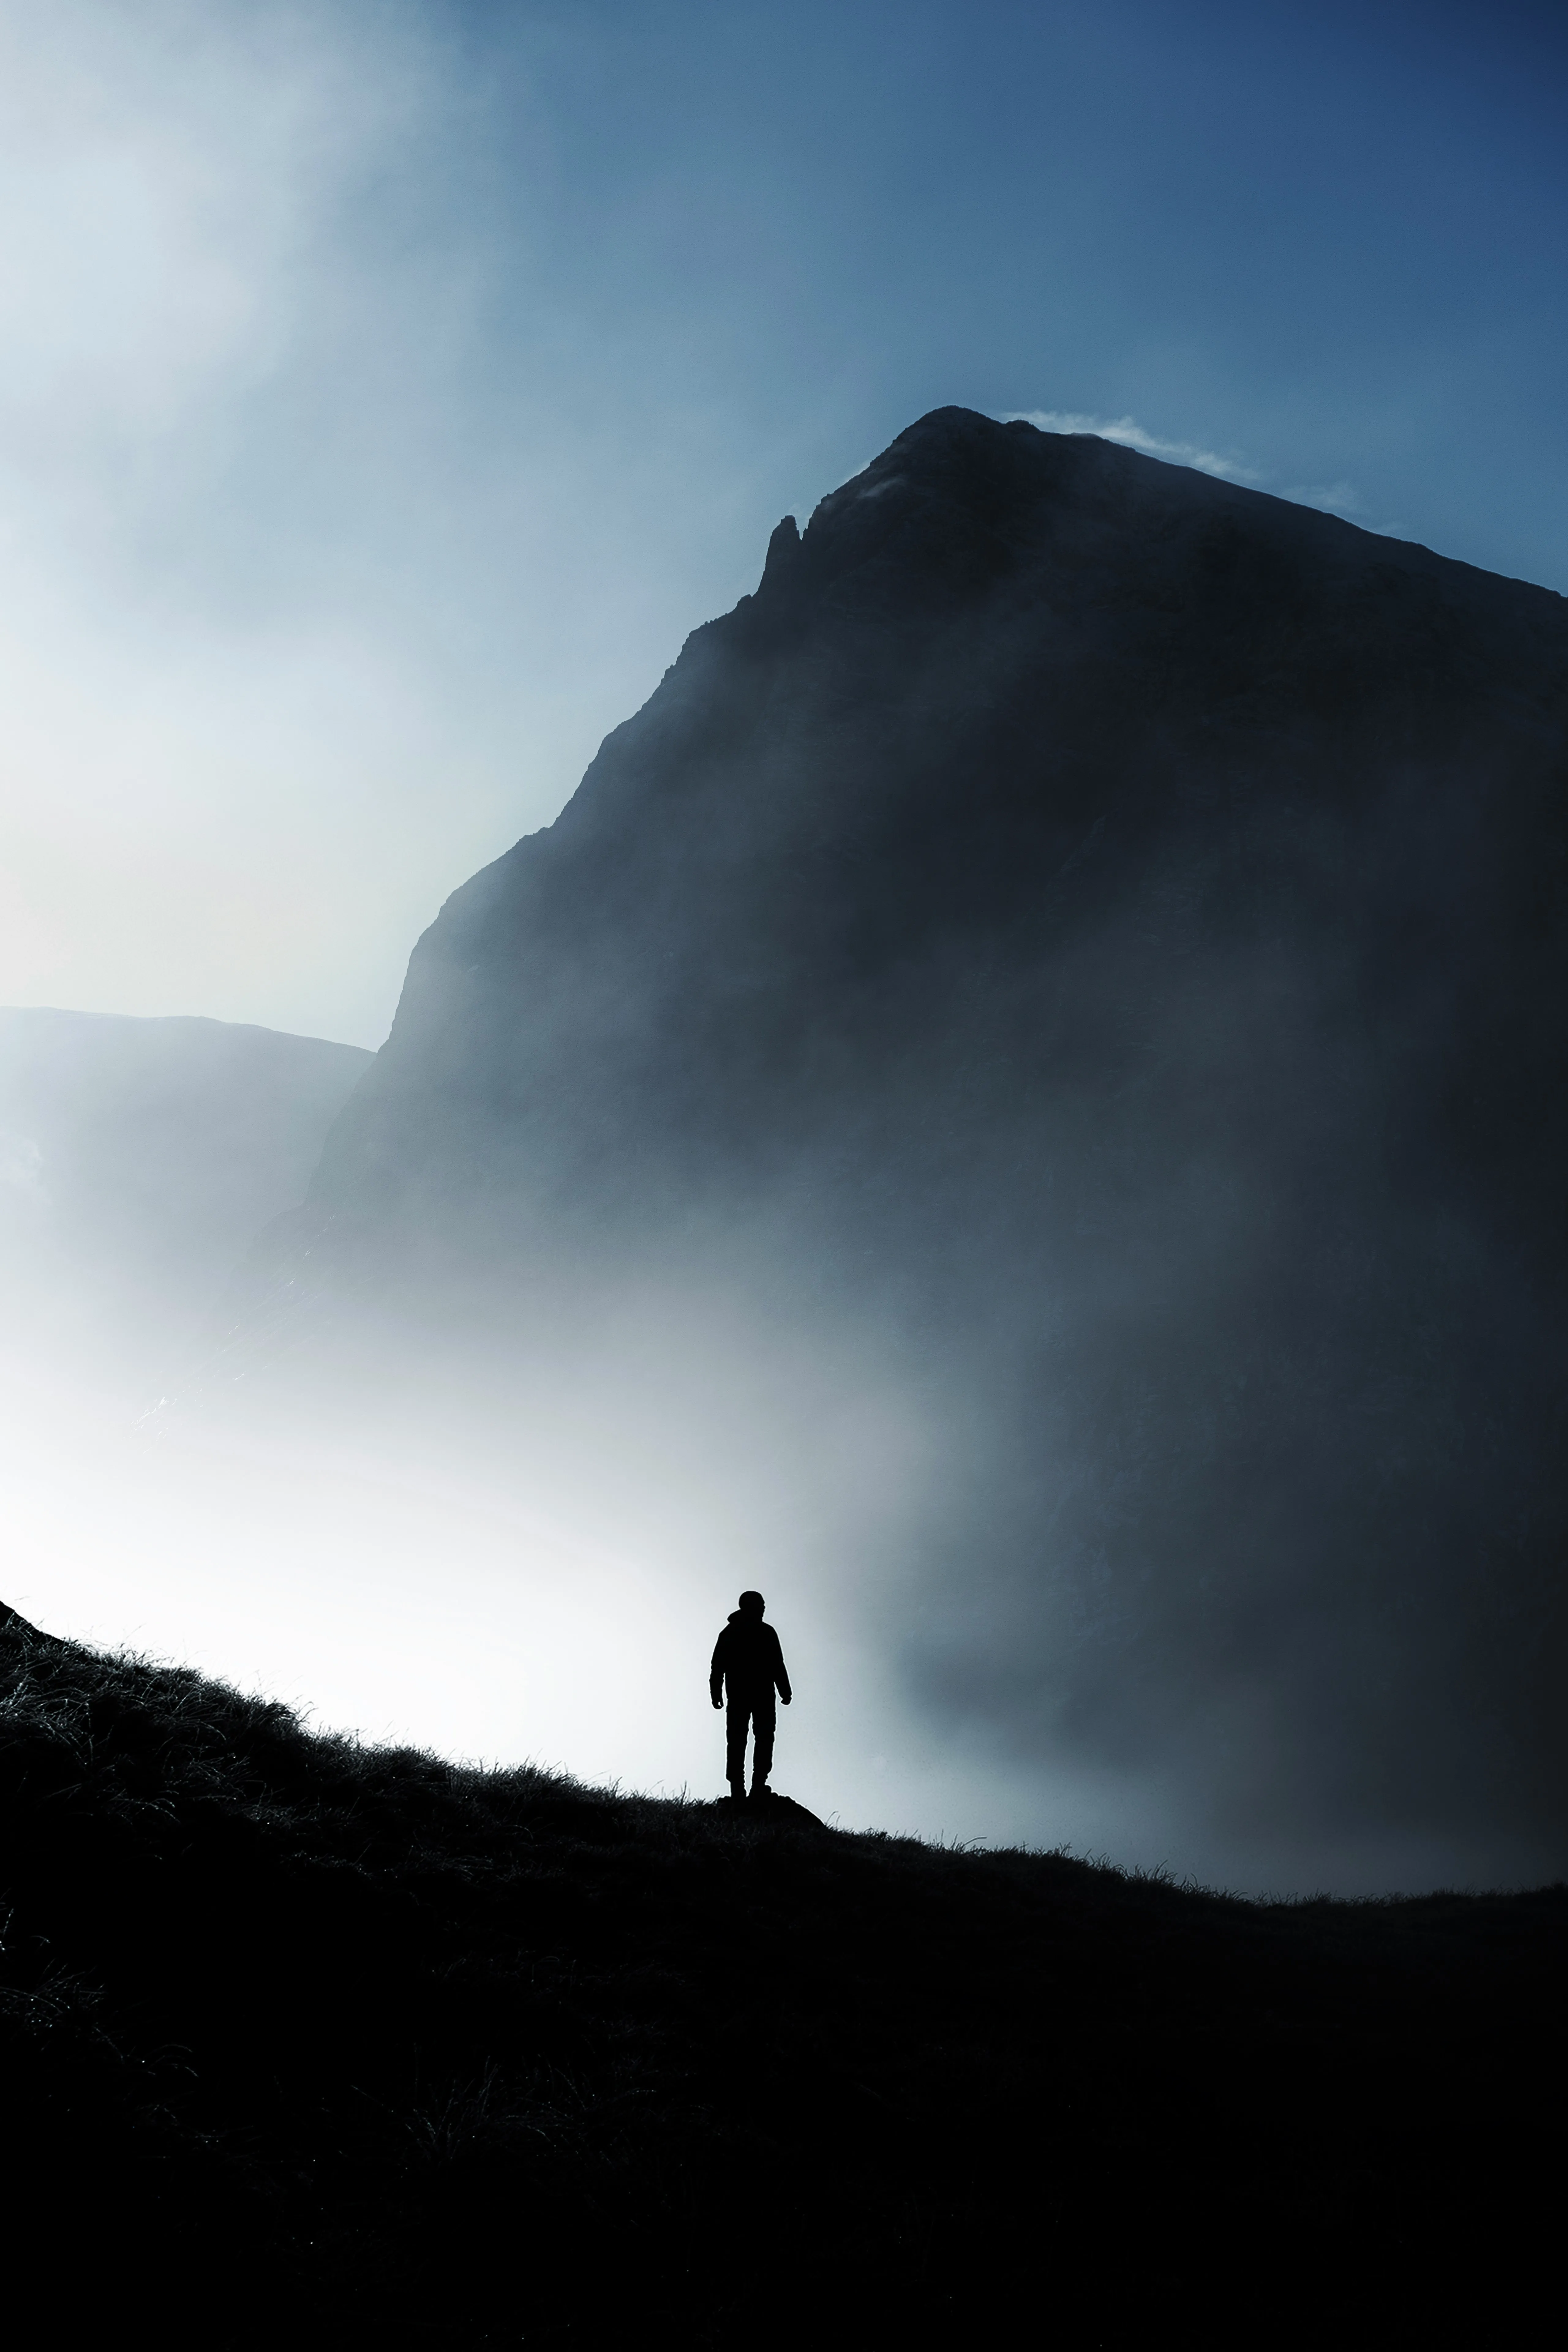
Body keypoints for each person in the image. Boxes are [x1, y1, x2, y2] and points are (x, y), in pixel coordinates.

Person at [710, 1590, 792, 1801]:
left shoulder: (764, 1632)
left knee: (760, 1739)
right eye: (761, 1605)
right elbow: (718, 1665)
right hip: (742, 1696)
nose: (764, 1608)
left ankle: (756, 1786)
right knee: (740, 1741)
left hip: (759, 1696)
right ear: (750, 1606)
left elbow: (777, 1664)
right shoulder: (732, 1633)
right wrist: (715, 1691)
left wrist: (785, 1690)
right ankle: (739, 1789)